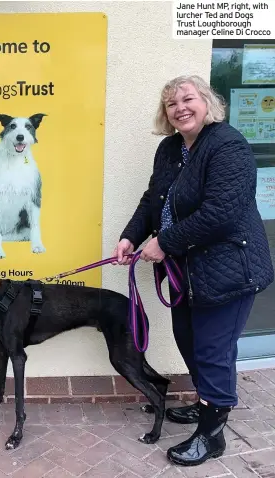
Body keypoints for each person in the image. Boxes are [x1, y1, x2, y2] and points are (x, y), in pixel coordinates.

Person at [113, 75, 273, 466]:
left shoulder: (227, 145)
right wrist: (132, 236)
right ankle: (207, 403)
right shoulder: (169, 148)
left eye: (188, 99)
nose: (180, 108)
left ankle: (212, 433)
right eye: (172, 104)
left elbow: (221, 213)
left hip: (230, 267)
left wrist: (164, 242)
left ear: (207, 102)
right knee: (188, 339)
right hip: (188, 269)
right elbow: (155, 197)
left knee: (212, 349)